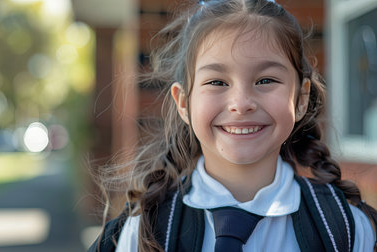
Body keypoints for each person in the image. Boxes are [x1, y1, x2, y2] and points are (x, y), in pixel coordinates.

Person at [89, 0, 377, 251]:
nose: (241, 103)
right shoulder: (143, 233)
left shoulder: (348, 229)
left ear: (301, 98)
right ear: (184, 103)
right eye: (217, 82)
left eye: (266, 80)